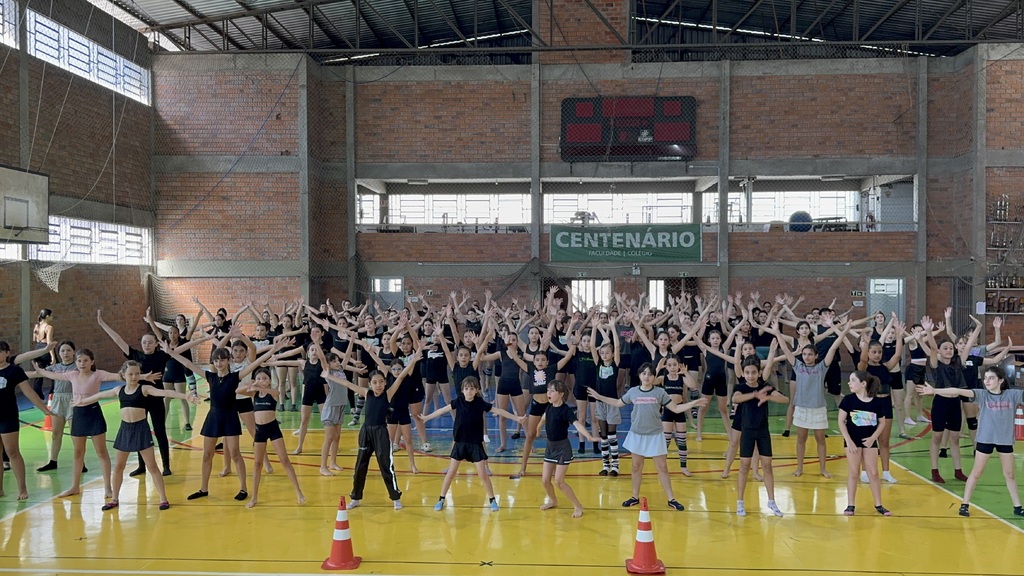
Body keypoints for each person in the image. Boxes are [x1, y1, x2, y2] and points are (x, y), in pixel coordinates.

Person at [163, 338, 282, 502]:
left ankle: (243, 488)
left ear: (228, 361)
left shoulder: (235, 377)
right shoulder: (210, 376)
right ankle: (203, 488)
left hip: (230, 417)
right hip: (213, 417)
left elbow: (254, 365)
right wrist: (170, 352)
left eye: (222, 360)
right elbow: (189, 364)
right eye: (216, 360)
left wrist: (272, 350)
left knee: (235, 453)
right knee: (207, 454)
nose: (219, 363)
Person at [72, 361, 198, 511]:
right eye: (130, 374)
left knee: (152, 466)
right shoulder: (119, 390)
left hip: (141, 430)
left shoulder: (144, 388)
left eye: (137, 373)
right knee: (118, 466)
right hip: (125, 430)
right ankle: (114, 499)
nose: (134, 377)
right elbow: (99, 395)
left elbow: (165, 392)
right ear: (123, 375)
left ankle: (163, 498)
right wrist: (82, 401)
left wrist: (185, 395)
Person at [587, 362, 706, 511]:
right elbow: (618, 403)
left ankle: (671, 499)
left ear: (654, 377)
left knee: (662, 467)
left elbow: (675, 408)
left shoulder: (660, 393)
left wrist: (693, 403)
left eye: (650, 374)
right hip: (637, 435)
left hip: (655, 435)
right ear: (639, 375)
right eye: (644, 373)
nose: (647, 376)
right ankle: (634, 496)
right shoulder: (633, 392)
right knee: (636, 467)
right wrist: (599, 396)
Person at [918, 366, 1024, 518]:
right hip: (985, 440)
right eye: (985, 378)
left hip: (1005, 441)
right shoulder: (982, 394)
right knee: (976, 473)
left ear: (1000, 380)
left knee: (1010, 474)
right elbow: (957, 391)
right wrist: (934, 391)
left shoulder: (1012, 395)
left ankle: (1018, 506)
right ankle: (965, 504)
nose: (987, 381)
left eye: (991, 378)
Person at [322, 357, 422, 511]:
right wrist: (329, 376)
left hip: (381, 432)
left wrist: (414, 359)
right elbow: (347, 383)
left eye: (381, 382)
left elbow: (401, 376)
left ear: (385, 383)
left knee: (386, 466)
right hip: (366, 432)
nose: (378, 385)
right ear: (370, 384)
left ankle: (395, 497)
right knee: (360, 466)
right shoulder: (366, 393)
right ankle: (355, 497)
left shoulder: (388, 394)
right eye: (375, 382)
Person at [419, 376, 523, 512]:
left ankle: (492, 500)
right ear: (462, 390)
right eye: (466, 388)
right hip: (460, 443)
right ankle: (441, 499)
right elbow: (442, 410)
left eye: (472, 388)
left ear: (476, 390)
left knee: (483, 474)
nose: (469, 391)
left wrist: (517, 418)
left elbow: (499, 411)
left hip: (475, 444)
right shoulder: (458, 402)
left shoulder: (480, 403)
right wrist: (427, 417)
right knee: (450, 473)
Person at [34, 348, 125, 500]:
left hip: (94, 414)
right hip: (78, 415)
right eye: (79, 361)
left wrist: (140, 376)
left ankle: (108, 488)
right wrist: (39, 371)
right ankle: (75, 486)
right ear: (75, 363)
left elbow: (118, 376)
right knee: (78, 452)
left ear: (92, 362)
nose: (82, 364)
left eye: (85, 360)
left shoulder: (98, 374)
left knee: (101, 452)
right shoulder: (72, 374)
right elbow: (53, 375)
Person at [766, 320, 847, 478]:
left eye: (810, 354)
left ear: (816, 356)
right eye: (804, 354)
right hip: (802, 409)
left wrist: (844, 332)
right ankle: (799, 468)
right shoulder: (798, 366)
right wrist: (776, 332)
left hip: (818, 410)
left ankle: (823, 469)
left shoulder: (821, 367)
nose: (807, 356)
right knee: (801, 439)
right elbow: (785, 349)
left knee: (820, 441)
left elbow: (833, 348)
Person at [97, 310, 174, 476]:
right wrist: (103, 324)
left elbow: (178, 347)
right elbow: (118, 340)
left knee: (159, 429)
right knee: (140, 430)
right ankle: (141, 466)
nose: (146, 344)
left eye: (150, 342)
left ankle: (166, 465)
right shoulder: (135, 355)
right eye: (144, 342)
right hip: (139, 399)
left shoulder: (162, 356)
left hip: (155, 397)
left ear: (155, 344)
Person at [236, 367, 305, 508]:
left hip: (273, 429)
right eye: (259, 378)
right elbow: (237, 391)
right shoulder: (254, 393)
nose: (262, 381)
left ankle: (298, 492)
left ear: (269, 381)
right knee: (257, 464)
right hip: (260, 431)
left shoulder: (273, 393)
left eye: (265, 379)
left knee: (284, 460)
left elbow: (276, 392)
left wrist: (260, 387)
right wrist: (251, 386)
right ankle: (254, 497)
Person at [733, 355, 789, 517]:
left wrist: (769, 396)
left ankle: (771, 501)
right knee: (744, 466)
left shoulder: (765, 386)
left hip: (763, 431)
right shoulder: (741, 387)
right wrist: (755, 395)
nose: (750, 375)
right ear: (743, 373)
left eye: (753, 372)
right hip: (747, 431)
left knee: (767, 466)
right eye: (747, 372)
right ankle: (740, 502)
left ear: (759, 373)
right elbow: (735, 398)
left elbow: (785, 399)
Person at [0, 341, 57, 500]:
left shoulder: (14, 371)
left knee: (12, 452)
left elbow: (29, 392)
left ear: (6, 353)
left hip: (8, 416)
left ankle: (22, 488)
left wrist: (44, 409)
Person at [539, 381, 599, 518]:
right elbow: (543, 419)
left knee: (559, 481)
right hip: (550, 447)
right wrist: (537, 428)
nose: (548, 393)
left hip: (562, 448)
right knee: (545, 480)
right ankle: (553, 500)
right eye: (548, 390)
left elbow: (577, 424)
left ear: (560, 394)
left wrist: (589, 436)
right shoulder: (549, 408)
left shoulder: (566, 411)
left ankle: (578, 506)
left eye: (552, 391)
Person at [838, 371, 892, 516]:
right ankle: (850, 505)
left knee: (873, 473)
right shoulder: (848, 400)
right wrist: (848, 441)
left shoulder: (876, 402)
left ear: (863, 384)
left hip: (870, 442)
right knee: (854, 472)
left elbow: (882, 422)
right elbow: (841, 421)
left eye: (853, 380)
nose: (849, 383)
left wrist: (873, 438)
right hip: (852, 442)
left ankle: (879, 504)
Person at [33, 340, 77, 472]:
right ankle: (53, 461)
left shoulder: (77, 367)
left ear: (74, 352)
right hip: (58, 399)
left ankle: (81, 461)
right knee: (56, 433)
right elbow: (37, 374)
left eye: (68, 350)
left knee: (75, 434)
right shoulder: (55, 368)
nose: (66, 353)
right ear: (59, 353)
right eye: (62, 351)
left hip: (72, 399)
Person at [30, 308, 56, 402]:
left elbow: (34, 339)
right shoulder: (49, 327)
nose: (52, 317)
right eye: (51, 315)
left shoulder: (37, 326)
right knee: (55, 372)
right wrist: (52, 355)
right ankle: (52, 395)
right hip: (45, 349)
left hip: (37, 348)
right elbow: (49, 342)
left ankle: (38, 397)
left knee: (39, 373)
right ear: (48, 316)